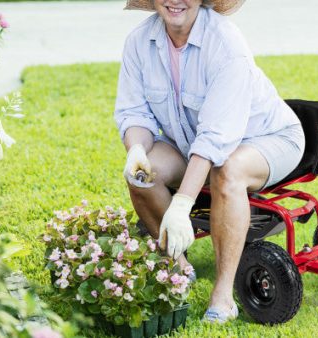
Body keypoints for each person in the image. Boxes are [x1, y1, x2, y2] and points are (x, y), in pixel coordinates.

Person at [114, 0, 305, 323]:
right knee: (143, 174)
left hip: (268, 138)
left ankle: (223, 295)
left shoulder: (226, 44)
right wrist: (136, 151)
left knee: (227, 170)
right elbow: (134, 114)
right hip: (194, 144)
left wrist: (182, 204)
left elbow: (216, 138)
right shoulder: (138, 42)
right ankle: (177, 270)